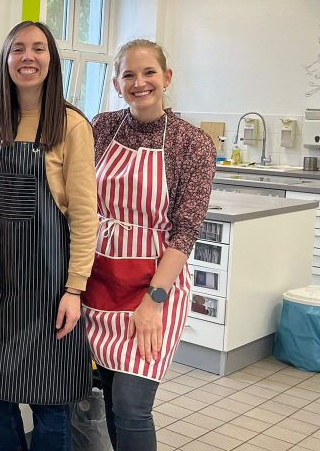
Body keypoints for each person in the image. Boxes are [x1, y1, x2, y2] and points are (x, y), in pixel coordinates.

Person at [81, 39, 215, 451]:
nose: (139, 82)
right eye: (128, 75)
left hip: (156, 283)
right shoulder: (101, 127)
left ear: (167, 77)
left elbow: (186, 231)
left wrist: (154, 302)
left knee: (132, 404)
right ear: (116, 84)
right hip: (100, 279)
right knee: (111, 395)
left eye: (149, 73)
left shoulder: (192, 144)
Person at [0, 21, 98, 451]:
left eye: (38, 48)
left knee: (51, 405)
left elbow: (84, 216)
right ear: (5, 59)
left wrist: (75, 289)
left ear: (52, 60)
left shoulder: (71, 125)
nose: (28, 57)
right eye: (18, 48)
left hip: (51, 286)